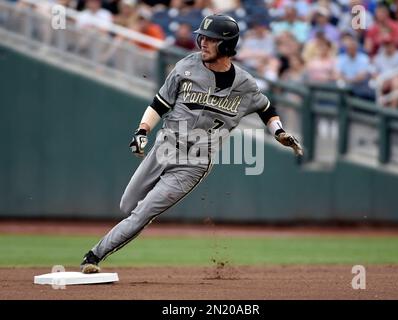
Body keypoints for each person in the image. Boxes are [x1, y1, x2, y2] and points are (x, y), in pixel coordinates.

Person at [80, 14, 303, 273]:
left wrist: (278, 131)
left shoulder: (245, 84)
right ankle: (130, 226)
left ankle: (93, 256)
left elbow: (266, 108)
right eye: (203, 37)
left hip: (194, 163)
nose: (203, 43)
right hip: (164, 147)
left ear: (227, 46)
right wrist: (142, 130)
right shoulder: (186, 66)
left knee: (142, 213)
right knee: (127, 205)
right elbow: (159, 104)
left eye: (212, 39)